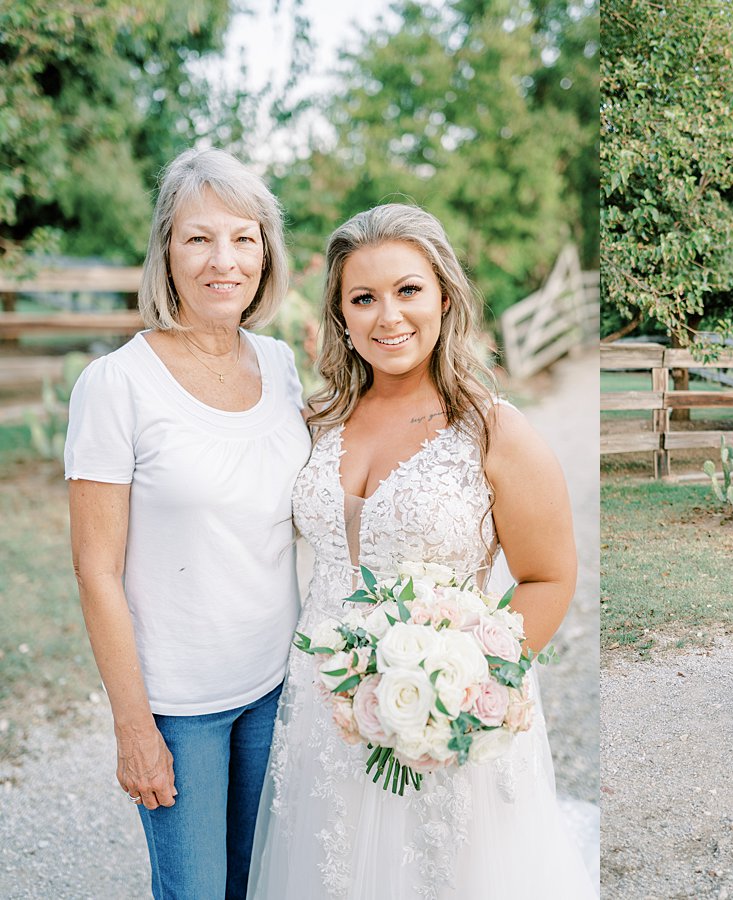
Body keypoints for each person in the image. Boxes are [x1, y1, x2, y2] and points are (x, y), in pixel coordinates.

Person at [248, 204, 597, 898]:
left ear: (444, 294)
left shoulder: (492, 430)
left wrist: (464, 692)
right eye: (363, 298)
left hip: (446, 708)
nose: (388, 316)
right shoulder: (317, 421)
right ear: (341, 316)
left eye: (408, 290)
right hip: (324, 710)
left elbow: (548, 576)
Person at [65, 148, 311, 897]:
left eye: (243, 237)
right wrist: (134, 727)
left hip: (276, 683)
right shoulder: (116, 385)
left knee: (261, 882)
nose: (222, 261)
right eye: (198, 238)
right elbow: (95, 569)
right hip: (178, 705)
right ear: (166, 252)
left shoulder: (282, 365)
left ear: (265, 252)